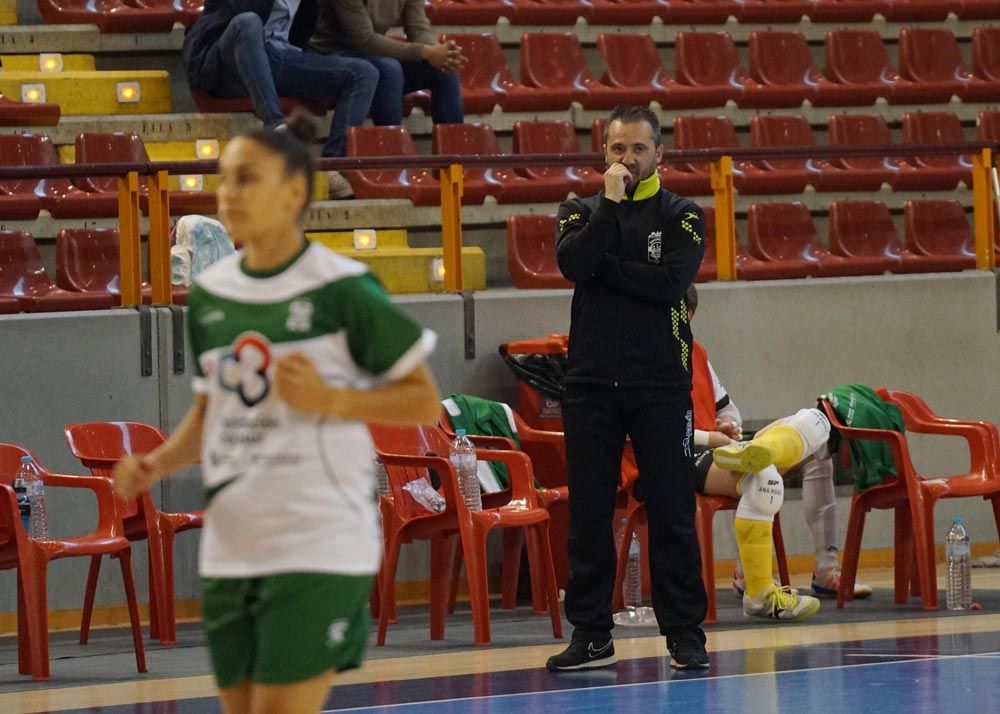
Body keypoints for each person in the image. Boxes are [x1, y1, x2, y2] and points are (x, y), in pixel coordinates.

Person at [113, 115, 441, 714]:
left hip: (319, 538)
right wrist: (153, 464)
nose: (228, 194)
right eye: (224, 180)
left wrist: (333, 399)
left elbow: (421, 399)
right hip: (235, 543)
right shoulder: (212, 296)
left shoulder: (342, 288)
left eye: (246, 178)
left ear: (294, 192)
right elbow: (212, 415)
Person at [546, 105, 708, 672]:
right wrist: (611, 211)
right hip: (590, 383)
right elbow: (574, 264)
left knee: (672, 512)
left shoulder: (684, 214)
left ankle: (685, 633)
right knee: (589, 514)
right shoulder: (580, 210)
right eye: (618, 149)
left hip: (661, 383)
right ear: (604, 154)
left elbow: (670, 283)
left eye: (638, 149)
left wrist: (606, 269)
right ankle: (591, 634)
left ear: (659, 154)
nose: (628, 159)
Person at [686, 283, 872, 601]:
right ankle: (750, 572)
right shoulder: (645, 357)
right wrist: (710, 437)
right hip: (689, 455)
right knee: (753, 471)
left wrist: (729, 424)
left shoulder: (697, 352)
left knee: (818, 449)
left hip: (719, 448)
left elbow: (728, 409)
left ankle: (827, 569)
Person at [261, 0, 380, 199]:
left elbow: (302, 31)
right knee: (363, 73)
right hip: (260, 55)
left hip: (289, 53)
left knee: (371, 72)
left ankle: (334, 166)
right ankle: (333, 164)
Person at [308, 0, 467, 127]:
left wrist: (441, 53)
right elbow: (365, 40)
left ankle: (456, 157)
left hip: (371, 57)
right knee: (389, 69)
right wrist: (426, 52)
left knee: (444, 68)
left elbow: (418, 30)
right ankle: (391, 155)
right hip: (331, 57)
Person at [183, 0, 286, 129]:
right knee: (247, 22)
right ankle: (275, 123)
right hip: (227, 60)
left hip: (282, 56)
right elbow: (248, 8)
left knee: (319, 75)